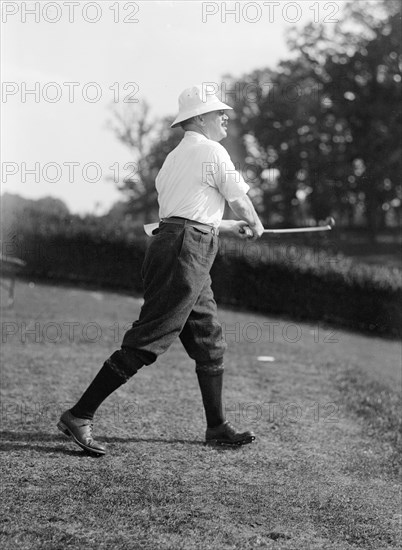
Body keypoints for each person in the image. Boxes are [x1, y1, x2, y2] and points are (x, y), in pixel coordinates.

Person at [57, 84, 265, 455]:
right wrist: (254, 221)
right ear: (199, 118)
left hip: (178, 243)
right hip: (186, 250)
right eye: (219, 112)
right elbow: (237, 199)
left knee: (209, 340)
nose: (225, 117)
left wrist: (231, 226)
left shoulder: (174, 159)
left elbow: (186, 213)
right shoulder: (212, 152)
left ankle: (216, 427)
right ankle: (80, 413)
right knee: (150, 338)